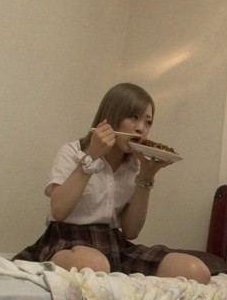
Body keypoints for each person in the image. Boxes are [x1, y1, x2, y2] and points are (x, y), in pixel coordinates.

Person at [13, 83, 211, 284]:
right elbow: (59, 211)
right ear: (111, 116)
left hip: (113, 242)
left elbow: (131, 232)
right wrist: (91, 157)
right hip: (66, 240)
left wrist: (147, 175)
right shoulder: (72, 152)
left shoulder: (133, 165)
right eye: (133, 117)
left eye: (148, 122)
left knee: (196, 271)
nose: (141, 128)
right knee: (94, 265)